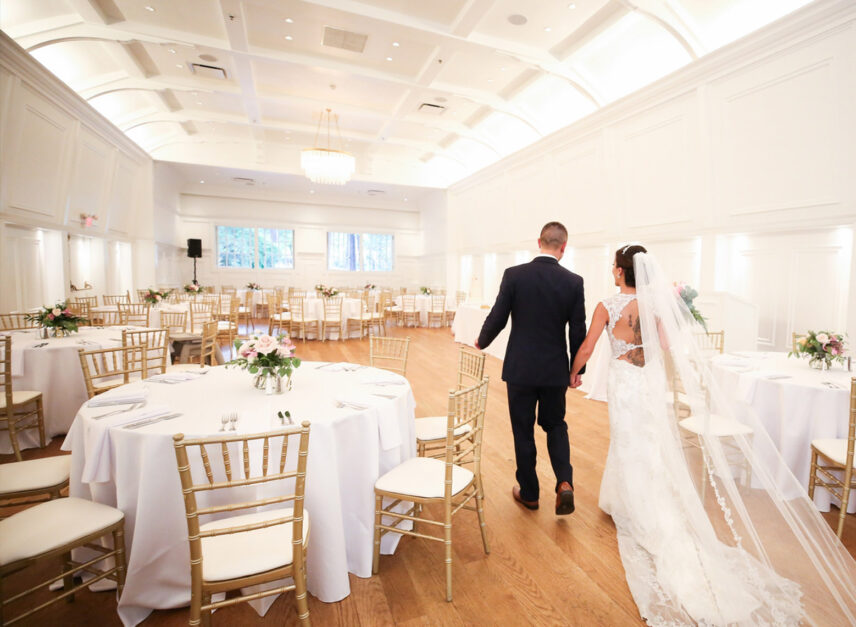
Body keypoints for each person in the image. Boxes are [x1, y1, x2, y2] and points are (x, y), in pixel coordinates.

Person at [569, 244, 856, 625]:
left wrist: (574, 372)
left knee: (627, 441)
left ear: (621, 273)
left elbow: (589, 345)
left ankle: (633, 506)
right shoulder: (655, 306)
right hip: (648, 381)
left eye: (614, 267)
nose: (612, 271)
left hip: (624, 382)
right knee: (651, 443)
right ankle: (641, 500)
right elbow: (666, 346)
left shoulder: (607, 304)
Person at [476, 222, 586, 515]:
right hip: (554, 371)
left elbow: (498, 315)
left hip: (521, 369)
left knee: (522, 430)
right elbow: (578, 331)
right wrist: (577, 369)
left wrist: (481, 340)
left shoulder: (515, 276)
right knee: (555, 426)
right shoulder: (574, 282)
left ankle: (530, 493)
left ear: (539, 242)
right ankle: (565, 482)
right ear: (563, 247)